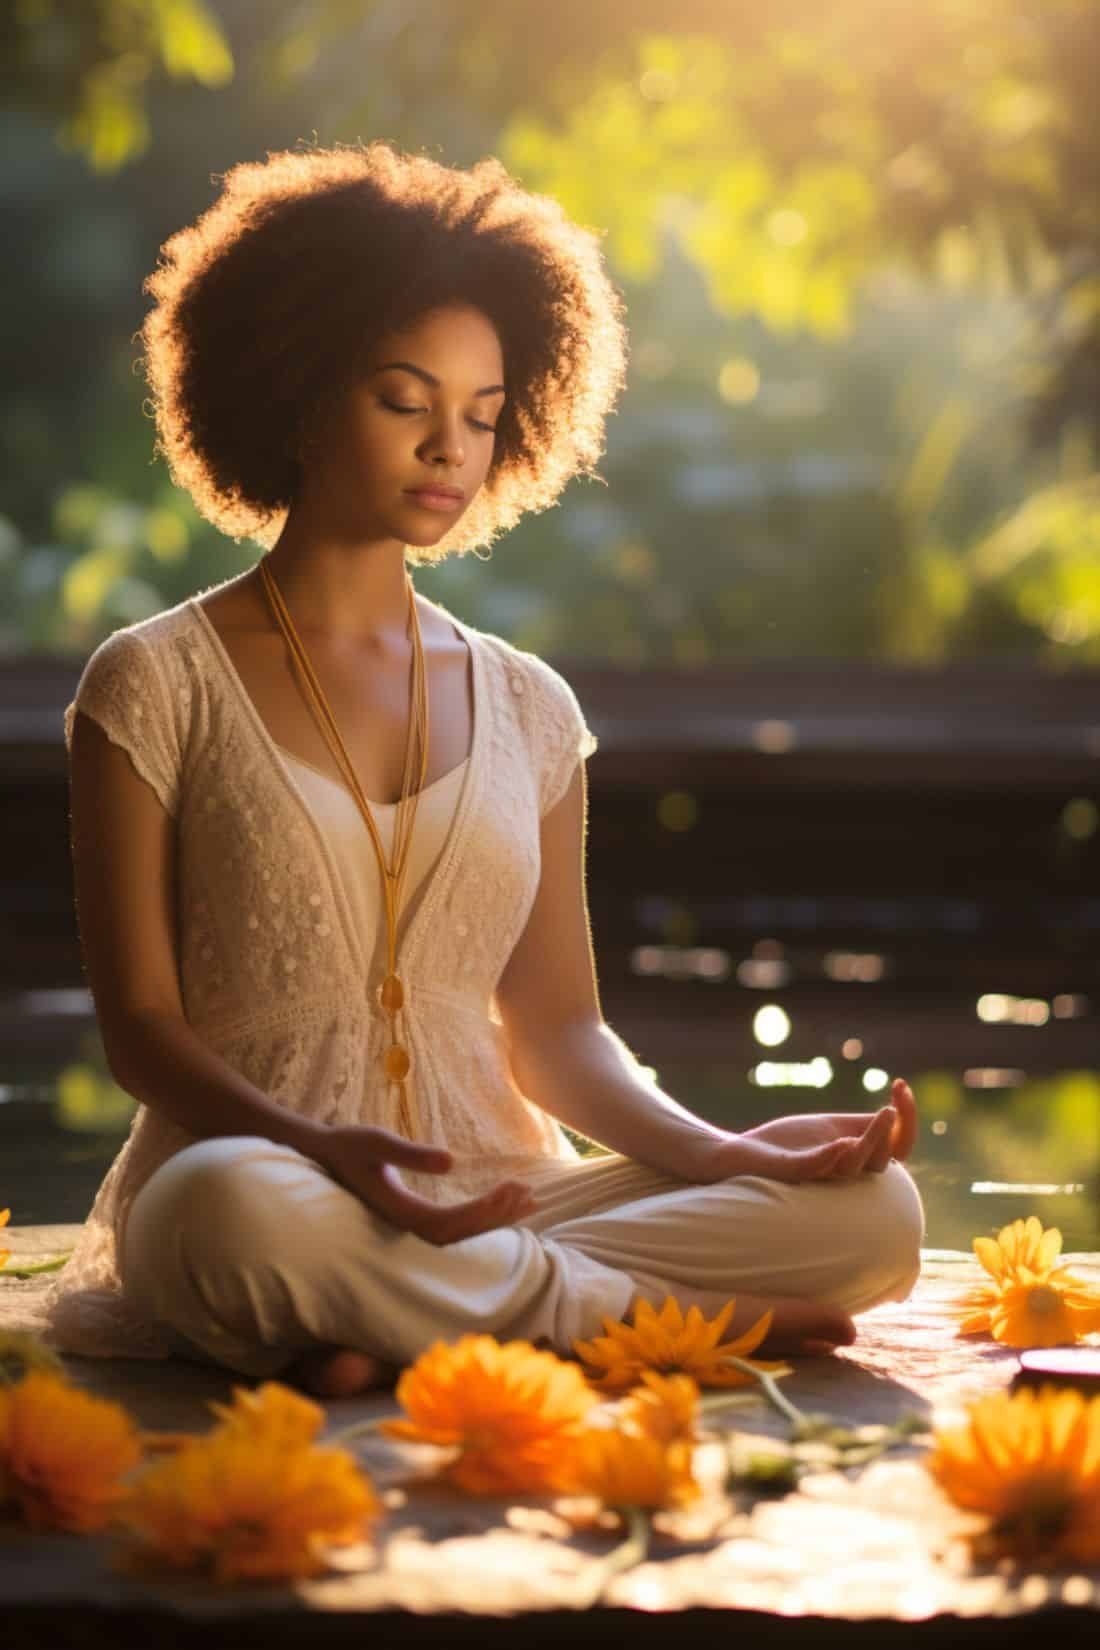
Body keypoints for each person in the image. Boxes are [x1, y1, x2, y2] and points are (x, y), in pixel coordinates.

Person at [23, 143, 923, 1397]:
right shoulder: (152, 680)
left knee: (875, 1219)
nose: (450, 448)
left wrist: (728, 1155)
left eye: (484, 415)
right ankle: (614, 1315)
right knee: (221, 1214)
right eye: (405, 402)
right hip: (265, 1169)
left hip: (507, 1201)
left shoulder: (528, 707)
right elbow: (142, 1033)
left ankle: (393, 1321)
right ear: (293, 389)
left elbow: (558, 1035)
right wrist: (318, 1147)